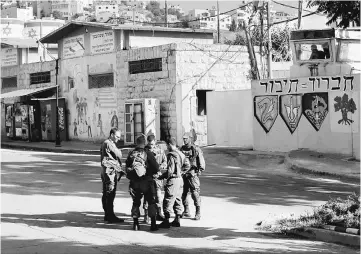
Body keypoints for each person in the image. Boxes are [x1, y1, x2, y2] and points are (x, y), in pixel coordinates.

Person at [125, 135, 159, 231]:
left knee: (136, 202)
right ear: (144, 143)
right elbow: (156, 168)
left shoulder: (131, 153)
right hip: (147, 182)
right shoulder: (148, 153)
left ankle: (135, 224)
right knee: (151, 202)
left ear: (136, 143)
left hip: (135, 183)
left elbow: (127, 167)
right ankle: (153, 224)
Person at [157, 137, 185, 228]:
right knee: (178, 199)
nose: (166, 147)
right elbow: (187, 165)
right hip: (180, 179)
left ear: (169, 144)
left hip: (173, 180)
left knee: (168, 199)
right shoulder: (181, 154)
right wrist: (181, 172)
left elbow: (170, 171)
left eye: (166, 145)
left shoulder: (171, 155)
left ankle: (166, 220)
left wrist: (162, 176)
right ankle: (177, 219)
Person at [100, 127, 125, 223]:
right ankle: (110, 215)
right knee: (110, 193)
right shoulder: (108, 143)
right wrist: (119, 151)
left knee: (107, 193)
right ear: (112, 135)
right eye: (117, 137)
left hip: (108, 170)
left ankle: (107, 214)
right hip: (109, 172)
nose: (119, 139)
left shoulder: (107, 143)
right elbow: (119, 154)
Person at [180, 132, 205, 221]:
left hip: (192, 174)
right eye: (183, 138)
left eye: (186, 138)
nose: (184, 140)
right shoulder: (182, 149)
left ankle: (198, 212)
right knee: (184, 193)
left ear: (190, 138)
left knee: (195, 193)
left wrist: (199, 171)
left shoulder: (195, 149)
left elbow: (201, 161)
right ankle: (186, 211)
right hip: (184, 174)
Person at [143, 134, 167, 223]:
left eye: (152, 145)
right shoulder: (144, 151)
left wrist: (159, 167)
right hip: (147, 177)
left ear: (155, 142)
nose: (151, 147)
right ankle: (146, 215)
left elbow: (165, 161)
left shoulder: (160, 151)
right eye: (149, 145)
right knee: (147, 196)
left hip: (157, 177)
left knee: (158, 196)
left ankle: (159, 213)